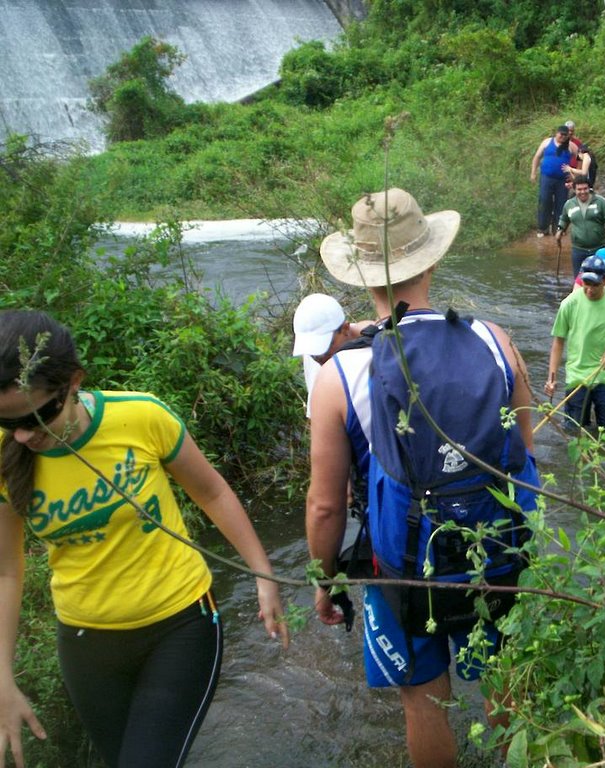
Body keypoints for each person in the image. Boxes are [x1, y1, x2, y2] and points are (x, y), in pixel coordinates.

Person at [0, 309, 288, 768]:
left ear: (74, 381)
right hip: (84, 643)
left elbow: (211, 492)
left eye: (39, 415)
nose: (22, 434)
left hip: (179, 624)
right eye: (6, 422)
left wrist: (262, 574)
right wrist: (3, 677)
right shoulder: (6, 457)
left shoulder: (140, 416)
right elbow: (7, 570)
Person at [314, 188, 539, 768]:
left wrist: (325, 578)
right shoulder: (495, 339)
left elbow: (324, 508)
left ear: (360, 276)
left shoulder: (341, 374)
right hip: (495, 552)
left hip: (407, 568)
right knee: (504, 681)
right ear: (431, 260)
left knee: (424, 702)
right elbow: (525, 455)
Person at [545, 255, 605, 430]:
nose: (590, 289)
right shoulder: (569, 304)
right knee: (574, 429)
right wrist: (551, 378)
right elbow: (558, 342)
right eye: (586, 283)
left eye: (595, 284)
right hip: (578, 375)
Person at [292, 293, 365, 417]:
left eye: (325, 348)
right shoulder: (314, 357)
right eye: (312, 352)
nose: (319, 358)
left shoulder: (374, 347)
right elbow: (317, 417)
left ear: (345, 329)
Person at [555, 177, 605, 277]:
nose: (583, 192)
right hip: (578, 249)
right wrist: (560, 229)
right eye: (579, 189)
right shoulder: (569, 204)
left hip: (599, 248)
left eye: (585, 189)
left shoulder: (600, 202)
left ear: (589, 188)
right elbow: (564, 219)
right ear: (574, 190)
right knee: (579, 279)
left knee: (601, 277)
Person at [530, 125, 577, 237]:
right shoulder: (547, 142)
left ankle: (558, 229)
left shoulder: (571, 145)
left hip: (562, 180)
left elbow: (580, 157)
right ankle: (542, 228)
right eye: (561, 134)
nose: (562, 137)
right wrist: (533, 172)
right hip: (547, 177)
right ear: (556, 133)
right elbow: (537, 157)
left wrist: (574, 173)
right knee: (544, 201)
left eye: (565, 135)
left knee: (561, 204)